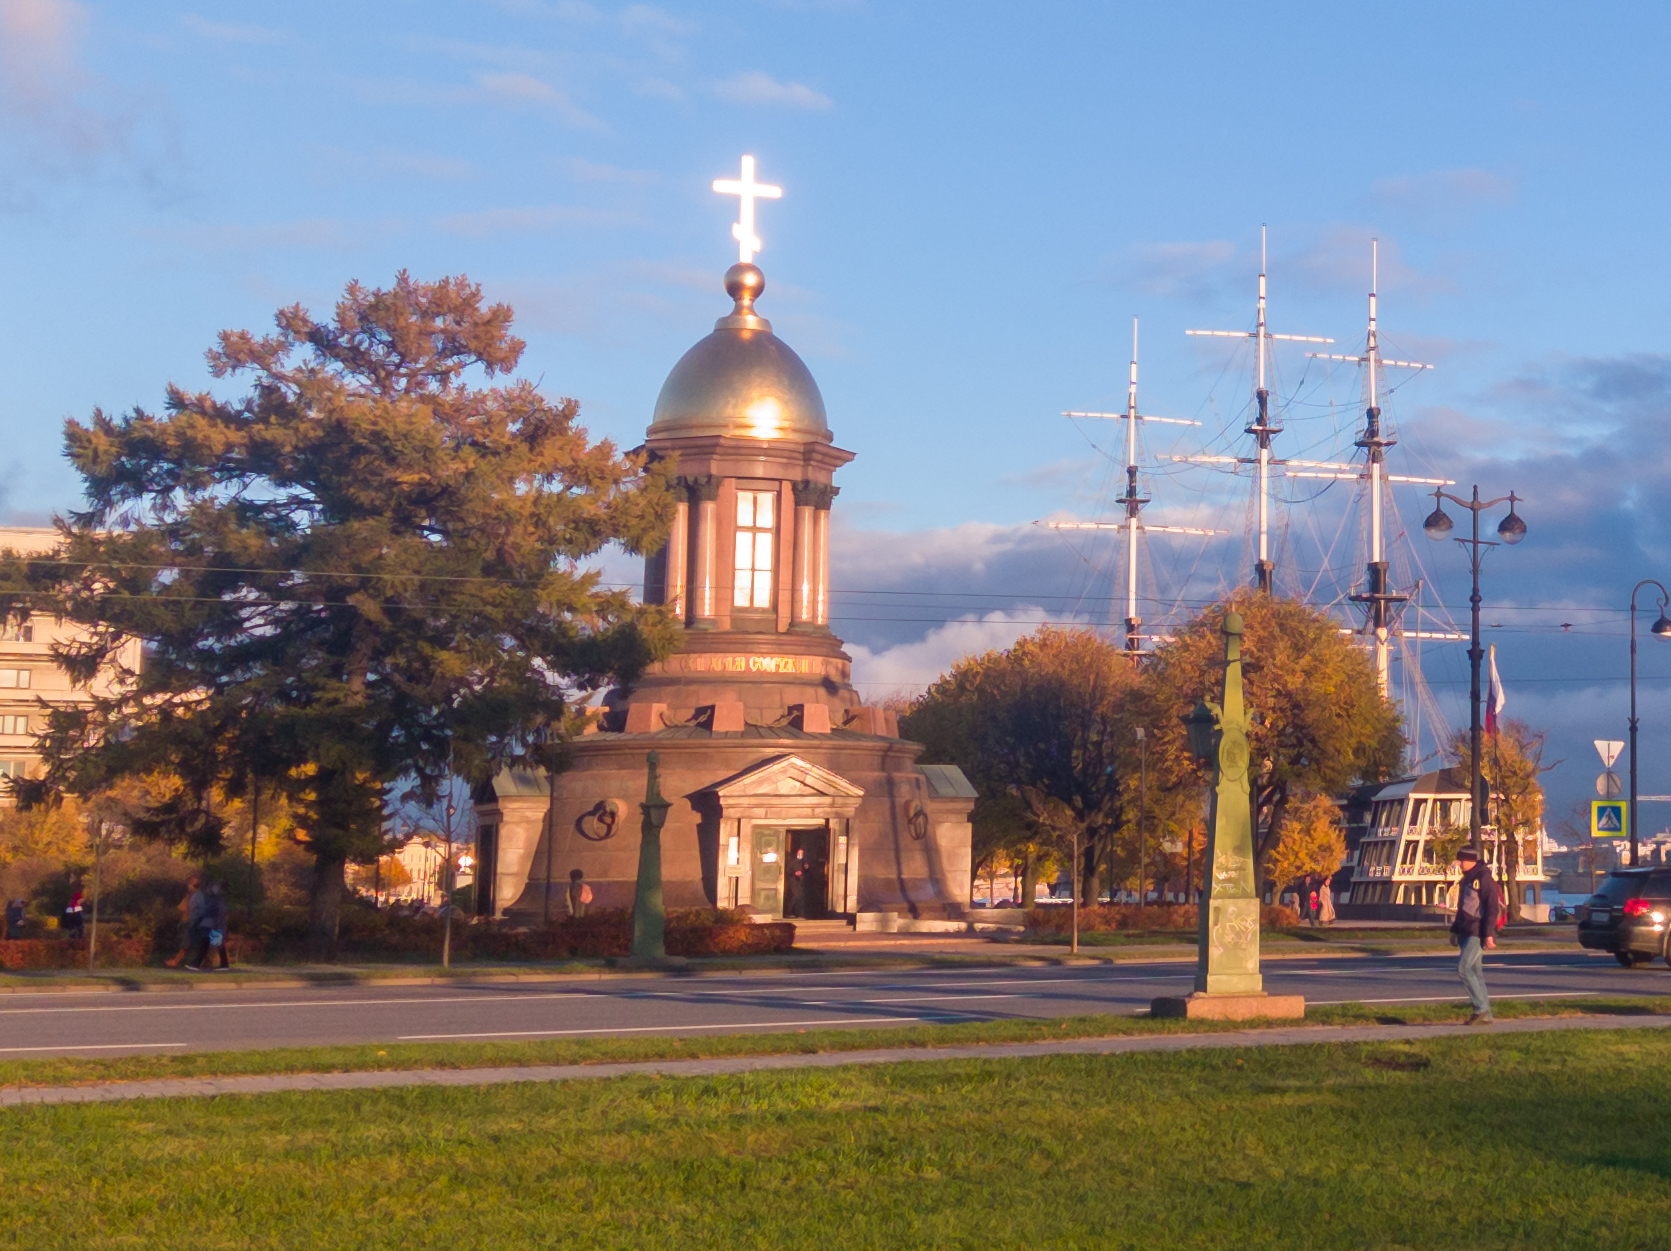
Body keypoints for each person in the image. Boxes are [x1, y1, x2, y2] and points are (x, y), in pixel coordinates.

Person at [1450, 846, 1501, 1024]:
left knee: (1463, 969)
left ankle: (1480, 1008)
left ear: (1471, 861)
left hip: (1476, 931)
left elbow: (1492, 907)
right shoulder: (1467, 878)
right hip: (1464, 929)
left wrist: (1489, 934)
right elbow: (1462, 907)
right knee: (1475, 972)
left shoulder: (1483, 877)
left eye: (1461, 861)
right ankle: (1486, 1015)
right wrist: (1454, 930)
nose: (1459, 864)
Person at [191, 881, 231, 971]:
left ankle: (196, 964)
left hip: (214, 925)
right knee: (209, 944)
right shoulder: (215, 900)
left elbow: (217, 914)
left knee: (214, 944)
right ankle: (196, 964)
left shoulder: (216, 901)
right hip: (212, 925)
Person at [163, 877, 202, 968]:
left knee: (186, 943)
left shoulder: (198, 896)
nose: (188, 887)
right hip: (189, 922)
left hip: (195, 924)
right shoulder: (190, 895)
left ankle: (175, 961)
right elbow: (181, 907)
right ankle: (206, 961)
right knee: (191, 943)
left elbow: (195, 910)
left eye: (190, 885)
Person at [787, 847, 808, 918]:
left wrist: (806, 868)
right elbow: (788, 871)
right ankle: (788, 912)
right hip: (794, 882)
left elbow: (807, 871)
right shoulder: (792, 862)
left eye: (802, 853)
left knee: (800, 897)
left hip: (801, 882)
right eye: (799, 853)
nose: (800, 854)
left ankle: (799, 913)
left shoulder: (803, 862)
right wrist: (794, 873)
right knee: (795, 896)